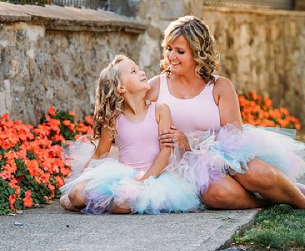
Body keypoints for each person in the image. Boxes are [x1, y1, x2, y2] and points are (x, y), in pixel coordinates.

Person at [146, 15, 305, 213]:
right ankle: (270, 200)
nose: (171, 56)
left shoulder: (219, 86)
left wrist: (191, 142)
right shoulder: (156, 87)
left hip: (223, 154)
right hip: (182, 167)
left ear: (198, 54)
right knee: (218, 194)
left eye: (180, 51)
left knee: (256, 174)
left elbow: (233, 136)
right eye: (169, 49)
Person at [59, 54, 200, 214]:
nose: (141, 72)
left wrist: (143, 182)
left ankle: (102, 203)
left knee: (125, 202)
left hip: (154, 177)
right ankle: (91, 201)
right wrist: (80, 181)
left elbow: (165, 153)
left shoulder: (160, 110)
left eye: (139, 69)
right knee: (76, 195)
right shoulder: (114, 119)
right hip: (122, 175)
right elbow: (100, 154)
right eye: (133, 71)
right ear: (121, 88)